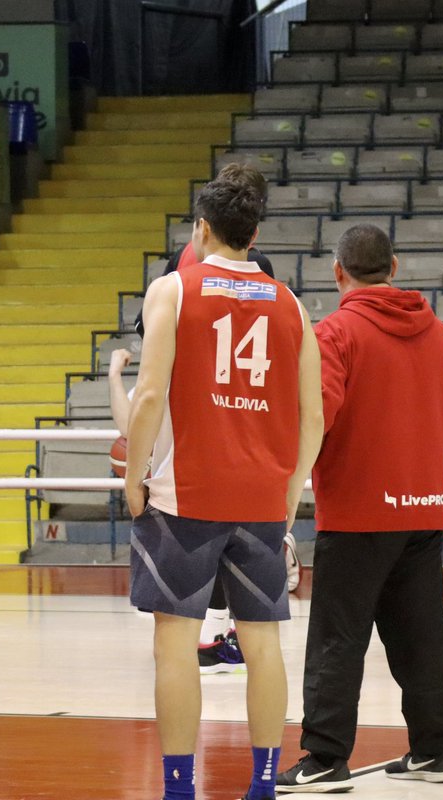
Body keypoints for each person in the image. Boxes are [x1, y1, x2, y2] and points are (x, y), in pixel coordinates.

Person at [276, 225, 443, 792]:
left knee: (337, 639)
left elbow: (317, 419)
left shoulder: (334, 336)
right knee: (422, 638)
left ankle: (326, 758)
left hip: (356, 517)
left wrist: (282, 477)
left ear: (338, 272)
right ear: (394, 268)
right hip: (424, 514)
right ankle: (435, 751)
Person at [125, 173, 324, 800]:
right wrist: (291, 489)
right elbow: (313, 416)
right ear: (255, 234)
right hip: (262, 499)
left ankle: (181, 789)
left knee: (175, 645)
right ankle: (263, 783)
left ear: (201, 229)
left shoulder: (173, 289)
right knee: (263, 644)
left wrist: (134, 477)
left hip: (184, 497)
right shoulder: (290, 303)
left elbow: (150, 393)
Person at [135, 162, 302, 595]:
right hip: (252, 467)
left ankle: (211, 638)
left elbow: (151, 380)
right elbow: (307, 407)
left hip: (187, 464)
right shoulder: (281, 294)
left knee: (176, 626)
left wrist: (137, 469)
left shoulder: (176, 276)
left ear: (202, 223)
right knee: (257, 629)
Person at [110, 346, 248, 674]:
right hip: (203, 487)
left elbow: (129, 429)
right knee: (216, 573)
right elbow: (129, 429)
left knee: (197, 583)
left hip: (182, 490)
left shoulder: (168, 374)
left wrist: (114, 374)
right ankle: (215, 640)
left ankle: (213, 639)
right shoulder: (182, 369)